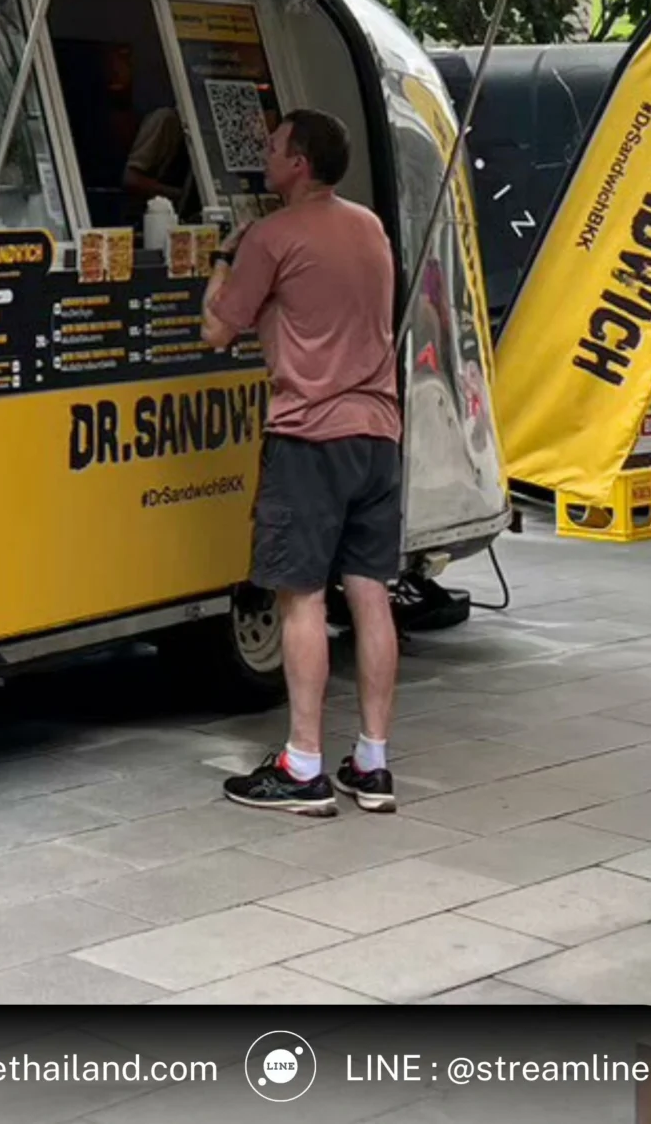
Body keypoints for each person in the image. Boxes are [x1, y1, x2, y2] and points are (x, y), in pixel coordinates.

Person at [202, 107, 402, 817]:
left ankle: (303, 765)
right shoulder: (369, 227)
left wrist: (222, 260)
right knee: (371, 594)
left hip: (309, 437)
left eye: (274, 145)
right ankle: (372, 763)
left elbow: (216, 328)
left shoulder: (272, 235)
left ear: (300, 163)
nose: (265, 154)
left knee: (302, 598)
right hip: (378, 434)